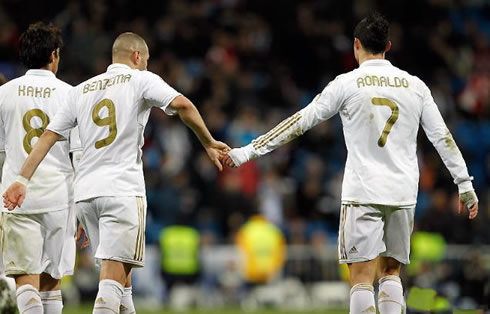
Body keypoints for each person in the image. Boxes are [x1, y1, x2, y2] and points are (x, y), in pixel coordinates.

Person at [223, 12, 479, 314]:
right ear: (388, 46)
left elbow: (300, 122)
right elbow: (442, 137)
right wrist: (464, 184)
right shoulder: (415, 86)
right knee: (391, 273)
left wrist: (246, 151)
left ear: (356, 45)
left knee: (360, 279)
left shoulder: (347, 83)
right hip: (402, 193)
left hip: (363, 192)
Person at [3, 32, 229, 314]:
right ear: (137, 56)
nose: (146, 65)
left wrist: (21, 179)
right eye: (145, 60)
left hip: (87, 196)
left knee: (123, 281)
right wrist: (208, 142)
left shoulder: (81, 90)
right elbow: (182, 104)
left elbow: (48, 136)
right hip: (121, 190)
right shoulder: (140, 79)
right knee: (111, 282)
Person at [0, 22, 81, 314]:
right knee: (51, 284)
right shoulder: (72, 95)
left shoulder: (5, 93)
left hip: (16, 196)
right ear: (54, 54)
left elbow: (0, 153)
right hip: (60, 196)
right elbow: (79, 154)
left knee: (25, 280)